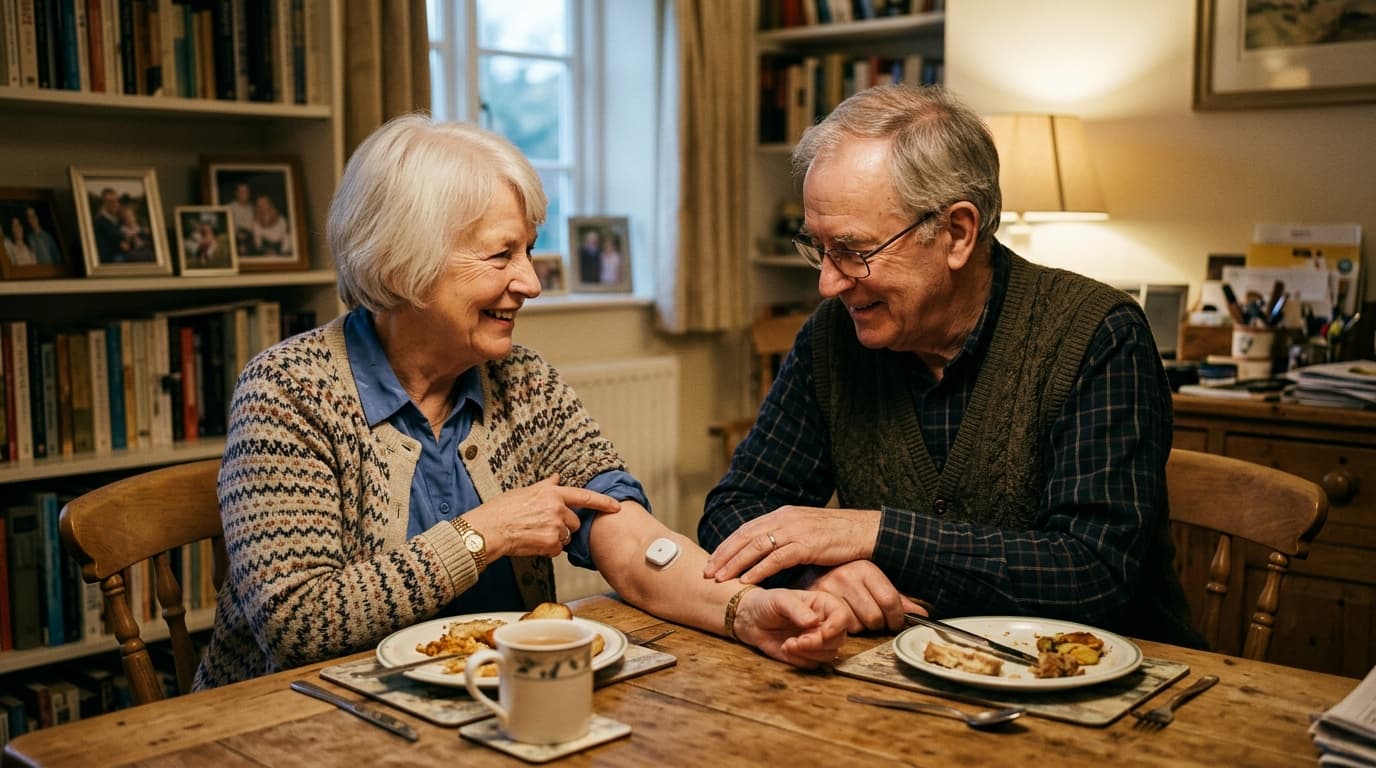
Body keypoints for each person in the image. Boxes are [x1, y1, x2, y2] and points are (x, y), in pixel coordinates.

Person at [193, 114, 849, 689]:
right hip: (301, 721)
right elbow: (299, 623)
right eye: (501, 254)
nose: (531, 282)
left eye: (529, 250)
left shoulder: (523, 381)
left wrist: (743, 609)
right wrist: (486, 532)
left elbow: (626, 530)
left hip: (487, 705)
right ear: (401, 266)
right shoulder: (290, 391)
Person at [698, 85, 1203, 648]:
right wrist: (815, 575)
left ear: (958, 233)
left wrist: (873, 534)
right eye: (818, 247)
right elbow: (734, 510)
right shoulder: (833, 339)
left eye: (854, 250)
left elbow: (1092, 573)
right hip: (916, 677)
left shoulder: (1097, 335)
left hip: (1112, 685)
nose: (828, 282)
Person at [92, 188, 125, 263]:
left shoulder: (119, 220)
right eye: (110, 202)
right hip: (110, 259)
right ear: (104, 203)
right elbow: (103, 248)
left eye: (116, 201)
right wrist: (120, 245)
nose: (114, 204)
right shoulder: (99, 222)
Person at [227, 182, 256, 253]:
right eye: (241, 192)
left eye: (246, 192)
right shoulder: (229, 208)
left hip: (250, 241)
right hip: (233, 242)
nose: (244, 194)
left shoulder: (253, 208)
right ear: (236, 193)